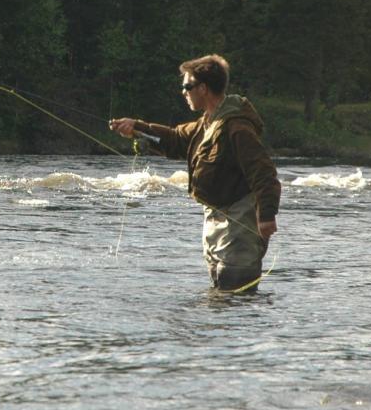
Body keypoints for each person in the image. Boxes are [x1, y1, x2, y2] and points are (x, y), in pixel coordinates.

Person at [109, 54, 281, 292]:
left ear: (203, 89)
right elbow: (174, 139)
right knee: (218, 299)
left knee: (235, 302)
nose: (183, 92)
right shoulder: (207, 123)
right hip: (215, 223)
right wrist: (136, 128)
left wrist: (267, 216)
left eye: (187, 86)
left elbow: (264, 173)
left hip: (240, 225)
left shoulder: (236, 127)